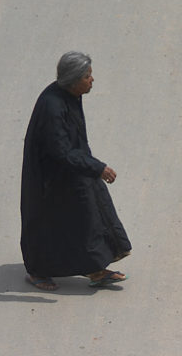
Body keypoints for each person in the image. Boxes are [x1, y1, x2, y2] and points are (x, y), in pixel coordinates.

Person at [20, 51, 132, 292]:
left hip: (73, 167)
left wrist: (90, 166)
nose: (92, 80)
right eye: (87, 76)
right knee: (50, 223)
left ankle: (95, 268)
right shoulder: (53, 106)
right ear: (73, 80)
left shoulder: (70, 95)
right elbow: (60, 151)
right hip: (50, 177)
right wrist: (97, 168)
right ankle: (38, 271)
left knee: (89, 213)